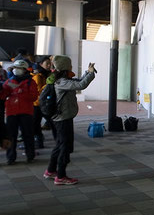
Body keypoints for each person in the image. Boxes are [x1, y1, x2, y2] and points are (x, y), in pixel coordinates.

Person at [44, 56, 95, 185]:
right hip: (62, 118)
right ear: (65, 67)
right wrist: (90, 73)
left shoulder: (61, 79)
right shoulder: (62, 82)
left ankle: (50, 171)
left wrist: (87, 72)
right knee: (65, 147)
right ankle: (61, 176)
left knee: (60, 144)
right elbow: (80, 84)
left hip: (61, 117)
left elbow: (77, 81)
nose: (72, 67)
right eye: (70, 65)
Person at [2, 60, 38, 164]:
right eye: (15, 68)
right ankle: (11, 157)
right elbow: (3, 96)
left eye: (19, 68)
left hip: (26, 112)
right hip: (11, 112)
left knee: (28, 134)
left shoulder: (31, 82)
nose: (16, 70)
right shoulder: (8, 82)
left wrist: (20, 92)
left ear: (25, 70)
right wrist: (5, 90)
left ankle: (30, 155)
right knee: (11, 135)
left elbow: (34, 97)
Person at [32, 56, 56, 148]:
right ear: (41, 64)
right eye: (47, 63)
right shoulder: (38, 76)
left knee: (53, 122)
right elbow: (38, 91)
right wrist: (48, 85)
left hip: (47, 103)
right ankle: (39, 141)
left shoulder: (49, 74)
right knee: (35, 124)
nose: (49, 65)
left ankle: (58, 140)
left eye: (50, 63)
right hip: (37, 104)